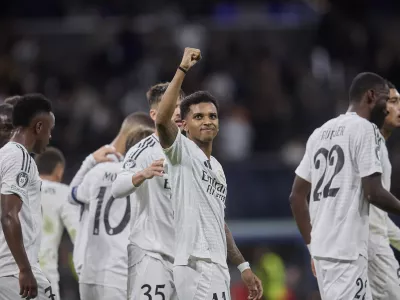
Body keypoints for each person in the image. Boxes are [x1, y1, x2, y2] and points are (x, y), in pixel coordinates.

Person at [155, 48, 263, 300]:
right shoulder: (180, 151)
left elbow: (218, 222)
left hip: (216, 265)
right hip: (195, 263)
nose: (208, 121)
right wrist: (182, 69)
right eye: (199, 116)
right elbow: (162, 120)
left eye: (212, 116)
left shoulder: (217, 167)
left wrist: (243, 266)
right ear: (183, 125)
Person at [289, 72, 400, 299]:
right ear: (370, 96)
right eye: (384, 99)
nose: (387, 107)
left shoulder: (319, 133)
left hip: (325, 251)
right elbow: (374, 193)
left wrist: (312, 247)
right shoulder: (365, 129)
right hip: (346, 251)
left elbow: (296, 197)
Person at [68, 112, 154, 299]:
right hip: (119, 273)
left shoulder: (98, 170)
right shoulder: (140, 178)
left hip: (89, 271)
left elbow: (72, 195)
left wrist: (89, 161)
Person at [111, 83, 184, 300]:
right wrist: (142, 174)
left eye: (182, 106)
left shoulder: (193, 150)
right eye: (172, 106)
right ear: (154, 115)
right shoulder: (143, 150)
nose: (179, 111)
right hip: (152, 254)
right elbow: (117, 188)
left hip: (184, 258)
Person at [0, 94, 56, 299]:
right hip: (14, 270)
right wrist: (24, 269)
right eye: (49, 130)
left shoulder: (4, 154)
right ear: (38, 127)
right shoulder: (20, 157)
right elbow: (8, 214)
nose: (50, 137)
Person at [368, 81, 400, 299]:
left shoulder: (379, 146)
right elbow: (372, 198)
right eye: (394, 102)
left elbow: (376, 215)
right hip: (371, 246)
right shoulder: (369, 144)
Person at [36, 147, 80, 300]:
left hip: (10, 274)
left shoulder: (16, 190)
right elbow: (78, 234)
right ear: (59, 170)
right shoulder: (63, 192)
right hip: (44, 275)